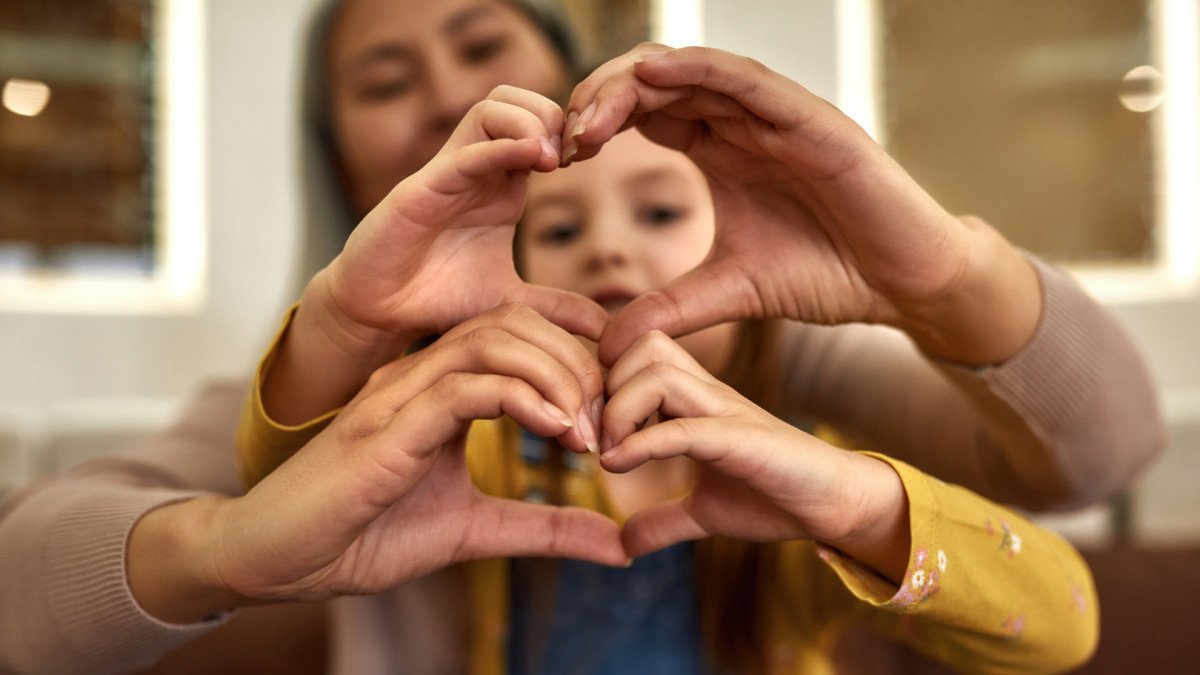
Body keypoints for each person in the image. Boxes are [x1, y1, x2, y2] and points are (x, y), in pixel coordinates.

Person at [0, 0, 1161, 670]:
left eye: (481, 43)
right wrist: (232, 542)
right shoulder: (322, 384)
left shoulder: (766, 361)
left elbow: (1094, 470)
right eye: (384, 79)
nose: (447, 94)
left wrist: (943, 274)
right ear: (344, 160)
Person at [238, 114, 1104, 673]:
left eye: (658, 214)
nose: (608, 250)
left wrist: (855, 502)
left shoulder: (800, 477)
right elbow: (277, 500)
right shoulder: (481, 443)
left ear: (755, 271)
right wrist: (343, 317)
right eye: (563, 229)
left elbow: (1064, 624)